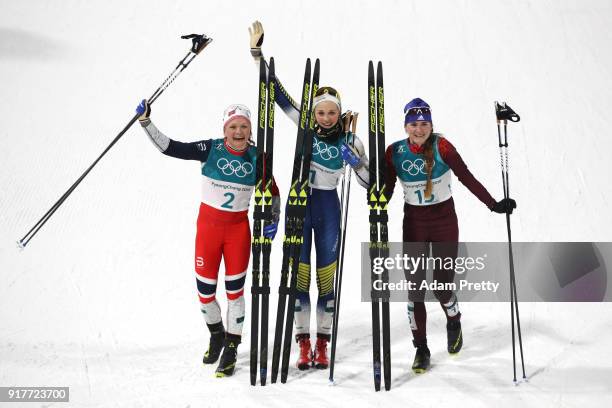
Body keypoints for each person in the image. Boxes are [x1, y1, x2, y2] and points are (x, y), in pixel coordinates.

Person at [248, 21, 370, 370]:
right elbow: (278, 94)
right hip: (300, 201)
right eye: (321, 111)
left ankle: (324, 343)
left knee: (325, 277)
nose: (326, 117)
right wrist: (258, 56)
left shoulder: (351, 139)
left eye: (332, 112)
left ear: (339, 112)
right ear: (314, 112)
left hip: (329, 205)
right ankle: (303, 345)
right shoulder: (304, 124)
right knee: (299, 275)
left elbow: (368, 182)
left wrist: (357, 162)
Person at [135, 100, 281, 377]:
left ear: (251, 130)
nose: (238, 132)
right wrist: (146, 122)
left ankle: (232, 346)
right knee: (205, 295)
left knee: (235, 292)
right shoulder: (210, 149)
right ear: (225, 129)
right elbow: (170, 147)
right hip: (208, 232)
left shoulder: (258, 157)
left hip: (237, 232)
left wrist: (274, 219)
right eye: (233, 126)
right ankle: (216, 335)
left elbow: (273, 191)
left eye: (244, 127)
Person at [384, 98, 516, 373]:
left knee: (442, 285)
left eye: (424, 124)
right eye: (414, 124)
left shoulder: (442, 147)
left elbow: (466, 176)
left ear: (431, 125)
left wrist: (493, 204)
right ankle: (420, 348)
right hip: (415, 224)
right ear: (405, 126)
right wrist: (377, 201)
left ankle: (453, 318)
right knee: (415, 289)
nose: (419, 129)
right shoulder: (394, 152)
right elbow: (386, 189)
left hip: (444, 221)